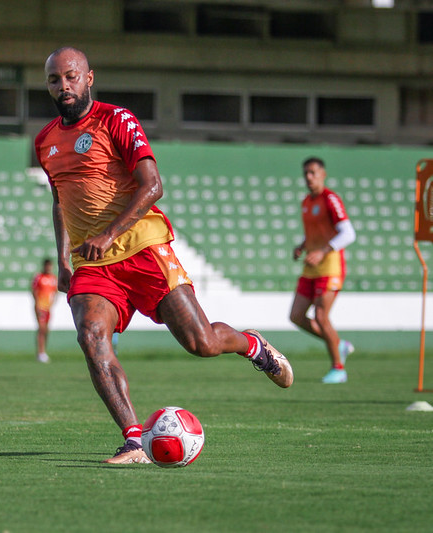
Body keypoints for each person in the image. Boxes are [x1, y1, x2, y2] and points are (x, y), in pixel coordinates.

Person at [34, 46, 293, 465]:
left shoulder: (116, 120)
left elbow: (153, 185)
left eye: (71, 76)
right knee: (91, 336)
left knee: (202, 342)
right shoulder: (45, 140)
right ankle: (133, 441)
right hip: (92, 263)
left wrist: (109, 233)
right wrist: (63, 259)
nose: (63, 86)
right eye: (54, 79)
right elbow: (59, 202)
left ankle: (253, 346)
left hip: (142, 246)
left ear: (89, 78)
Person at [290, 157, 356, 384]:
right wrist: (302, 246)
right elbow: (313, 233)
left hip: (330, 267)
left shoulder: (331, 199)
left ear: (323, 174)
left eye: (313, 172)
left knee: (320, 315)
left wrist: (323, 251)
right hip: (311, 268)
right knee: (296, 316)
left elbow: (348, 233)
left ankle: (338, 367)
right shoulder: (306, 202)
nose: (309, 177)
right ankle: (339, 344)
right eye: (306, 173)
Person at [31, 258, 58, 363]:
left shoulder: (53, 278)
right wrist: (37, 305)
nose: (48, 268)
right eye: (47, 265)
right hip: (40, 307)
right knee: (41, 329)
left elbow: (55, 291)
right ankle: (40, 353)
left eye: (50, 266)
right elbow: (34, 290)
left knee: (46, 330)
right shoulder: (39, 277)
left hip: (48, 308)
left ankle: (44, 351)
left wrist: (53, 303)